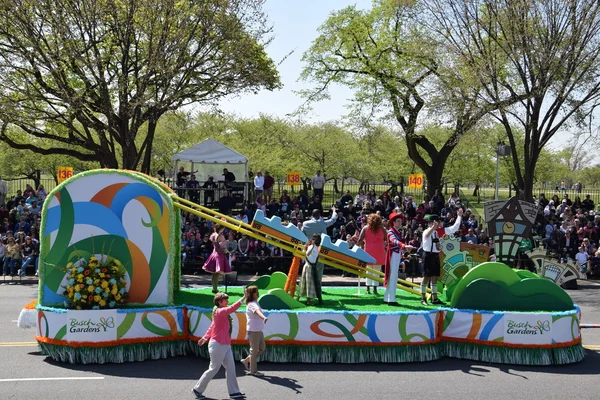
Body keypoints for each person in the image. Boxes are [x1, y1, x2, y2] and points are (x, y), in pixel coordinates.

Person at [192, 290, 247, 400]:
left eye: (227, 299)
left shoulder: (220, 312)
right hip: (217, 345)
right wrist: (244, 297)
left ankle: (234, 392)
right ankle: (197, 389)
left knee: (231, 368)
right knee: (214, 368)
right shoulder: (219, 312)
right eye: (225, 300)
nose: (227, 301)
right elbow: (232, 309)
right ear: (219, 302)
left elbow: (212, 326)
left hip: (226, 345)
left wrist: (204, 337)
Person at [421, 208, 463, 306]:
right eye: (435, 222)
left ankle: (434, 298)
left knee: (435, 277)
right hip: (428, 255)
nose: (438, 224)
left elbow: (454, 228)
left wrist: (459, 216)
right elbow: (427, 235)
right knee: (426, 277)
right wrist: (433, 227)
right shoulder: (427, 231)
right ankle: (423, 298)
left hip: (435, 255)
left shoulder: (437, 232)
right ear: (431, 223)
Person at [384, 212, 413, 306]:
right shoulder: (390, 232)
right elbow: (394, 241)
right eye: (398, 221)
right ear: (393, 222)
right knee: (393, 276)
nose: (400, 223)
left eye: (401, 221)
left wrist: (405, 249)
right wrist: (404, 246)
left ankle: (387, 297)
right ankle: (391, 299)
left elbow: (398, 244)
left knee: (393, 276)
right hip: (392, 255)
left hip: (396, 254)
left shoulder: (397, 232)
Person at [240, 285, 268, 377]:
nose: (258, 293)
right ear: (252, 294)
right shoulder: (252, 304)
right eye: (256, 292)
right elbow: (257, 312)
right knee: (254, 351)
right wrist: (263, 317)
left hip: (258, 330)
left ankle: (247, 360)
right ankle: (253, 371)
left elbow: (259, 310)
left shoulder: (255, 302)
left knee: (262, 348)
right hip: (254, 330)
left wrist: (263, 310)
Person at [357, 214, 387, 295]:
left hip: (368, 252)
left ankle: (367, 288)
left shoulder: (365, 228)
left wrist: (359, 246)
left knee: (368, 271)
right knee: (377, 272)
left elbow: (360, 240)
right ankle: (375, 289)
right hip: (380, 252)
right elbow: (387, 239)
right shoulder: (382, 229)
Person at [202, 224, 232, 293]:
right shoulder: (221, 236)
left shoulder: (213, 235)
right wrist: (228, 253)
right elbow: (223, 248)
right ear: (221, 229)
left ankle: (214, 288)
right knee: (217, 274)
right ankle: (215, 289)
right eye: (223, 228)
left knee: (214, 274)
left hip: (214, 254)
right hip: (219, 256)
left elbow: (214, 244)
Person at [297, 233, 322, 305]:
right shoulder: (311, 246)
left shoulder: (316, 247)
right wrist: (312, 246)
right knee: (307, 283)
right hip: (308, 266)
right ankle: (305, 300)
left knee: (308, 283)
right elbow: (307, 254)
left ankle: (306, 300)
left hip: (311, 266)